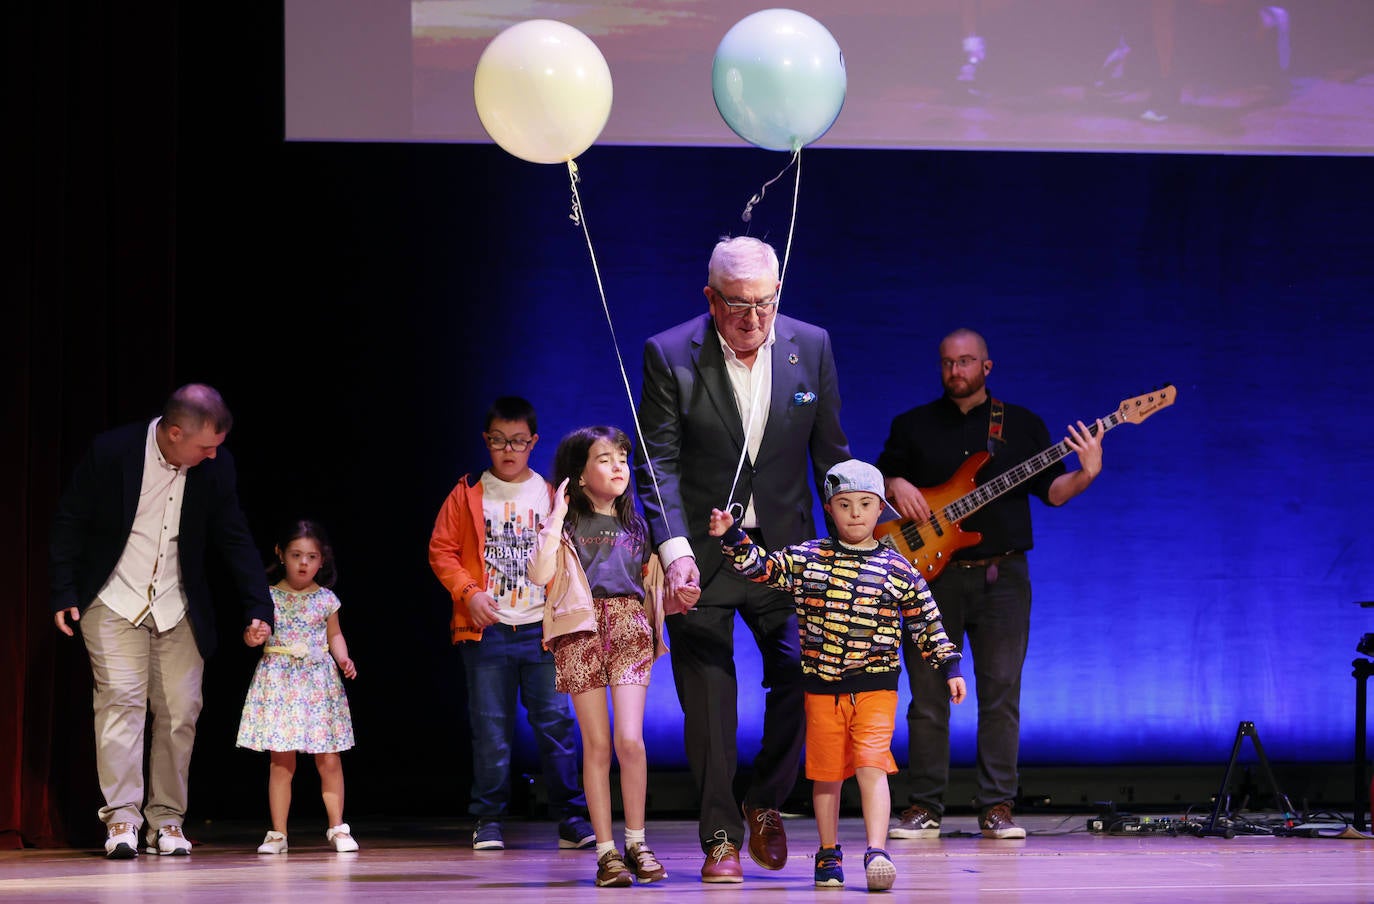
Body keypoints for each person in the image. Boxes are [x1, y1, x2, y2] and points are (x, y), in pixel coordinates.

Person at [636, 235, 851, 883]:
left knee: (803, 672)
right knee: (710, 700)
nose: (753, 318)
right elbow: (659, 466)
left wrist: (850, 544)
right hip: (699, 558)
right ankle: (721, 838)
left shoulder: (810, 345)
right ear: (710, 297)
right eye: (737, 305)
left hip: (786, 555)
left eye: (764, 303)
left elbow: (831, 455)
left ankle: (764, 800)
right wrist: (672, 554)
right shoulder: (669, 354)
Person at [878, 328, 1103, 841]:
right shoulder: (910, 425)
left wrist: (1087, 473)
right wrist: (894, 482)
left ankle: (997, 807)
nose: (956, 372)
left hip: (1003, 578)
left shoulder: (1021, 425)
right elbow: (875, 486)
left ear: (987, 367)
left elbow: (1054, 492)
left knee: (1001, 694)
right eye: (947, 363)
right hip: (927, 581)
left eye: (966, 362)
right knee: (928, 697)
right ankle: (923, 807)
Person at [709, 459, 967, 891]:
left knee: (871, 765)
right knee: (827, 774)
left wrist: (949, 667)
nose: (855, 513)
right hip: (823, 689)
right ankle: (828, 854)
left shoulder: (898, 567)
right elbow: (763, 569)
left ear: (881, 509)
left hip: (876, 688)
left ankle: (876, 849)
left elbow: (927, 621)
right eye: (844, 504)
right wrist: (734, 536)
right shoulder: (809, 558)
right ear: (829, 508)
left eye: (865, 504)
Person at [48, 383, 273, 858]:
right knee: (120, 704)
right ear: (174, 433)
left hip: (177, 603)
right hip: (114, 597)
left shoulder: (217, 467)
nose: (213, 455)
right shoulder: (113, 451)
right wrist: (64, 590)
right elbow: (71, 518)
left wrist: (258, 605)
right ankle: (122, 822)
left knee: (180, 711)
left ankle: (167, 821)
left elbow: (235, 538)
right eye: (205, 446)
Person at [427, 396, 593, 851]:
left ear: (533, 442)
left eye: (518, 441)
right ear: (487, 440)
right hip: (488, 633)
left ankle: (572, 818)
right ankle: (488, 819)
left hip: (542, 633)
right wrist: (469, 592)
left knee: (556, 726)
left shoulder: (549, 493)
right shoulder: (467, 493)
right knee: (491, 730)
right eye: (499, 440)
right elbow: (441, 550)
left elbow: (573, 554)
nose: (508, 450)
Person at [528, 426, 669, 887]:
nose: (617, 467)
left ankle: (637, 841)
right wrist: (555, 516)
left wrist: (679, 591)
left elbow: (653, 583)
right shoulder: (566, 523)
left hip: (629, 625)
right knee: (598, 745)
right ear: (580, 474)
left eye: (622, 458)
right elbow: (539, 572)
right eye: (605, 459)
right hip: (579, 631)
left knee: (631, 741)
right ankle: (607, 851)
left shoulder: (638, 521)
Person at [237, 519, 358, 854]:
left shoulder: (326, 599)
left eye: (312, 557)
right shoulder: (268, 596)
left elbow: (334, 634)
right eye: (296, 555)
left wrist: (343, 658)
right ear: (281, 555)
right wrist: (252, 636)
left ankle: (337, 827)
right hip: (280, 681)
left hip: (318, 683)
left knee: (329, 758)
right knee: (281, 761)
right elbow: (255, 631)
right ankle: (278, 833)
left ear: (322, 560)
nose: (304, 563)